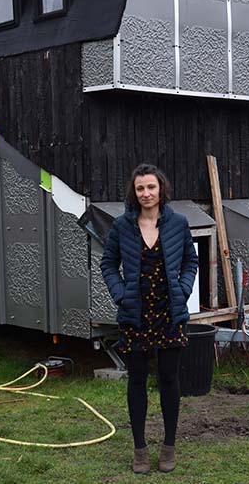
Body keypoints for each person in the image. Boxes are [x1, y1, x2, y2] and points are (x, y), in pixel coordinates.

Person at [100, 163, 199, 474]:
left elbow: (190, 259)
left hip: (170, 315)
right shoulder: (121, 226)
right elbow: (108, 263)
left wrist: (183, 289)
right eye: (140, 188)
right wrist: (120, 294)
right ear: (135, 191)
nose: (146, 193)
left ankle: (169, 447)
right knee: (137, 381)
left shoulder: (178, 223)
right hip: (136, 316)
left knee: (170, 379)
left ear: (161, 189)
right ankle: (140, 449)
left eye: (151, 187)